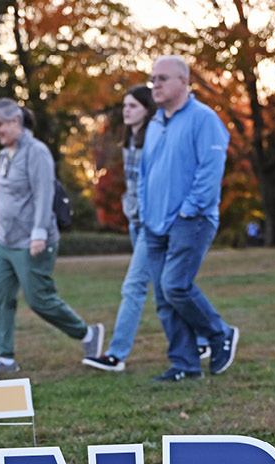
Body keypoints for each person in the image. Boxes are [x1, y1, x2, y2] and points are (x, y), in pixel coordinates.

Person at [83, 86, 227, 372]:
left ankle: (117, 354)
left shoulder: (166, 131)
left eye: (133, 106)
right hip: (143, 223)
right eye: (124, 105)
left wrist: (177, 212)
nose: (126, 110)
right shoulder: (136, 139)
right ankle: (193, 349)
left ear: (147, 109)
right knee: (165, 292)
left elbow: (199, 171)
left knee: (139, 287)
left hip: (157, 222)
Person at [0, 97, 103, 374]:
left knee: (40, 299)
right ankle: (6, 357)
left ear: (15, 121)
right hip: (4, 240)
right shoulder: (4, 155)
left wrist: (38, 234)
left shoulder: (36, 152)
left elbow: (43, 194)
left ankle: (87, 334)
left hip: (33, 240)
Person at [141, 55, 238, 383]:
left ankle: (219, 332)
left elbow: (210, 169)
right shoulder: (155, 124)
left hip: (191, 219)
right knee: (164, 298)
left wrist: (190, 208)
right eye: (153, 78)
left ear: (184, 81)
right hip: (154, 222)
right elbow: (146, 172)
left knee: (175, 285)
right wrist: (145, 209)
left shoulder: (203, 119)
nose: (155, 84)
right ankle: (185, 364)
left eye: (162, 78)